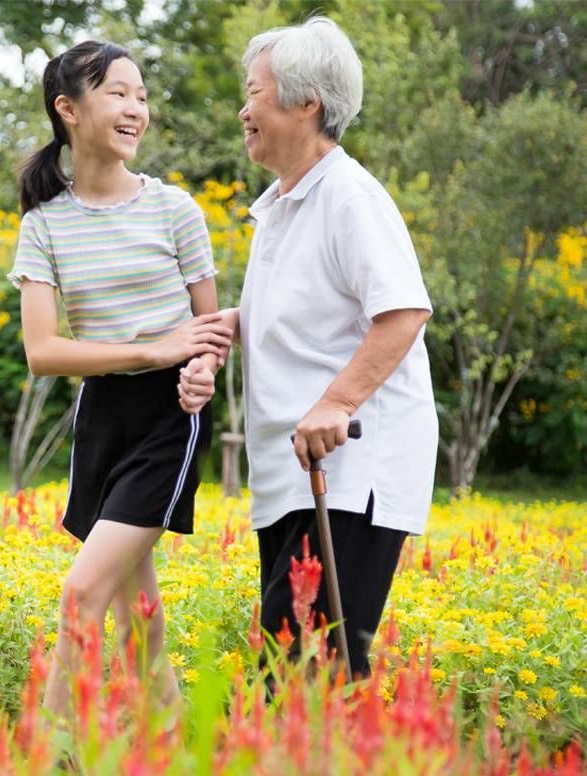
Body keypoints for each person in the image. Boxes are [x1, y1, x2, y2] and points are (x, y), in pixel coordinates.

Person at [192, 17, 438, 679]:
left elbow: (403, 311)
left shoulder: (350, 198)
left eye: (255, 93)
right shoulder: (283, 205)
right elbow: (319, 309)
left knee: (298, 675)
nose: (243, 110)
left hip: (352, 471)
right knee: (303, 669)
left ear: (307, 105)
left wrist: (337, 401)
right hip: (290, 475)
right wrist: (238, 323)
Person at [7, 40, 233, 723]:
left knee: (82, 595)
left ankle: (49, 751)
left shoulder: (175, 211)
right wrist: (151, 349)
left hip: (170, 417)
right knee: (137, 606)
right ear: (68, 109)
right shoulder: (44, 224)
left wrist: (199, 370)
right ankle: (169, 739)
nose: (136, 109)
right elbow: (43, 352)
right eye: (118, 93)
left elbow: (210, 330)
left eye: (141, 95)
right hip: (102, 413)